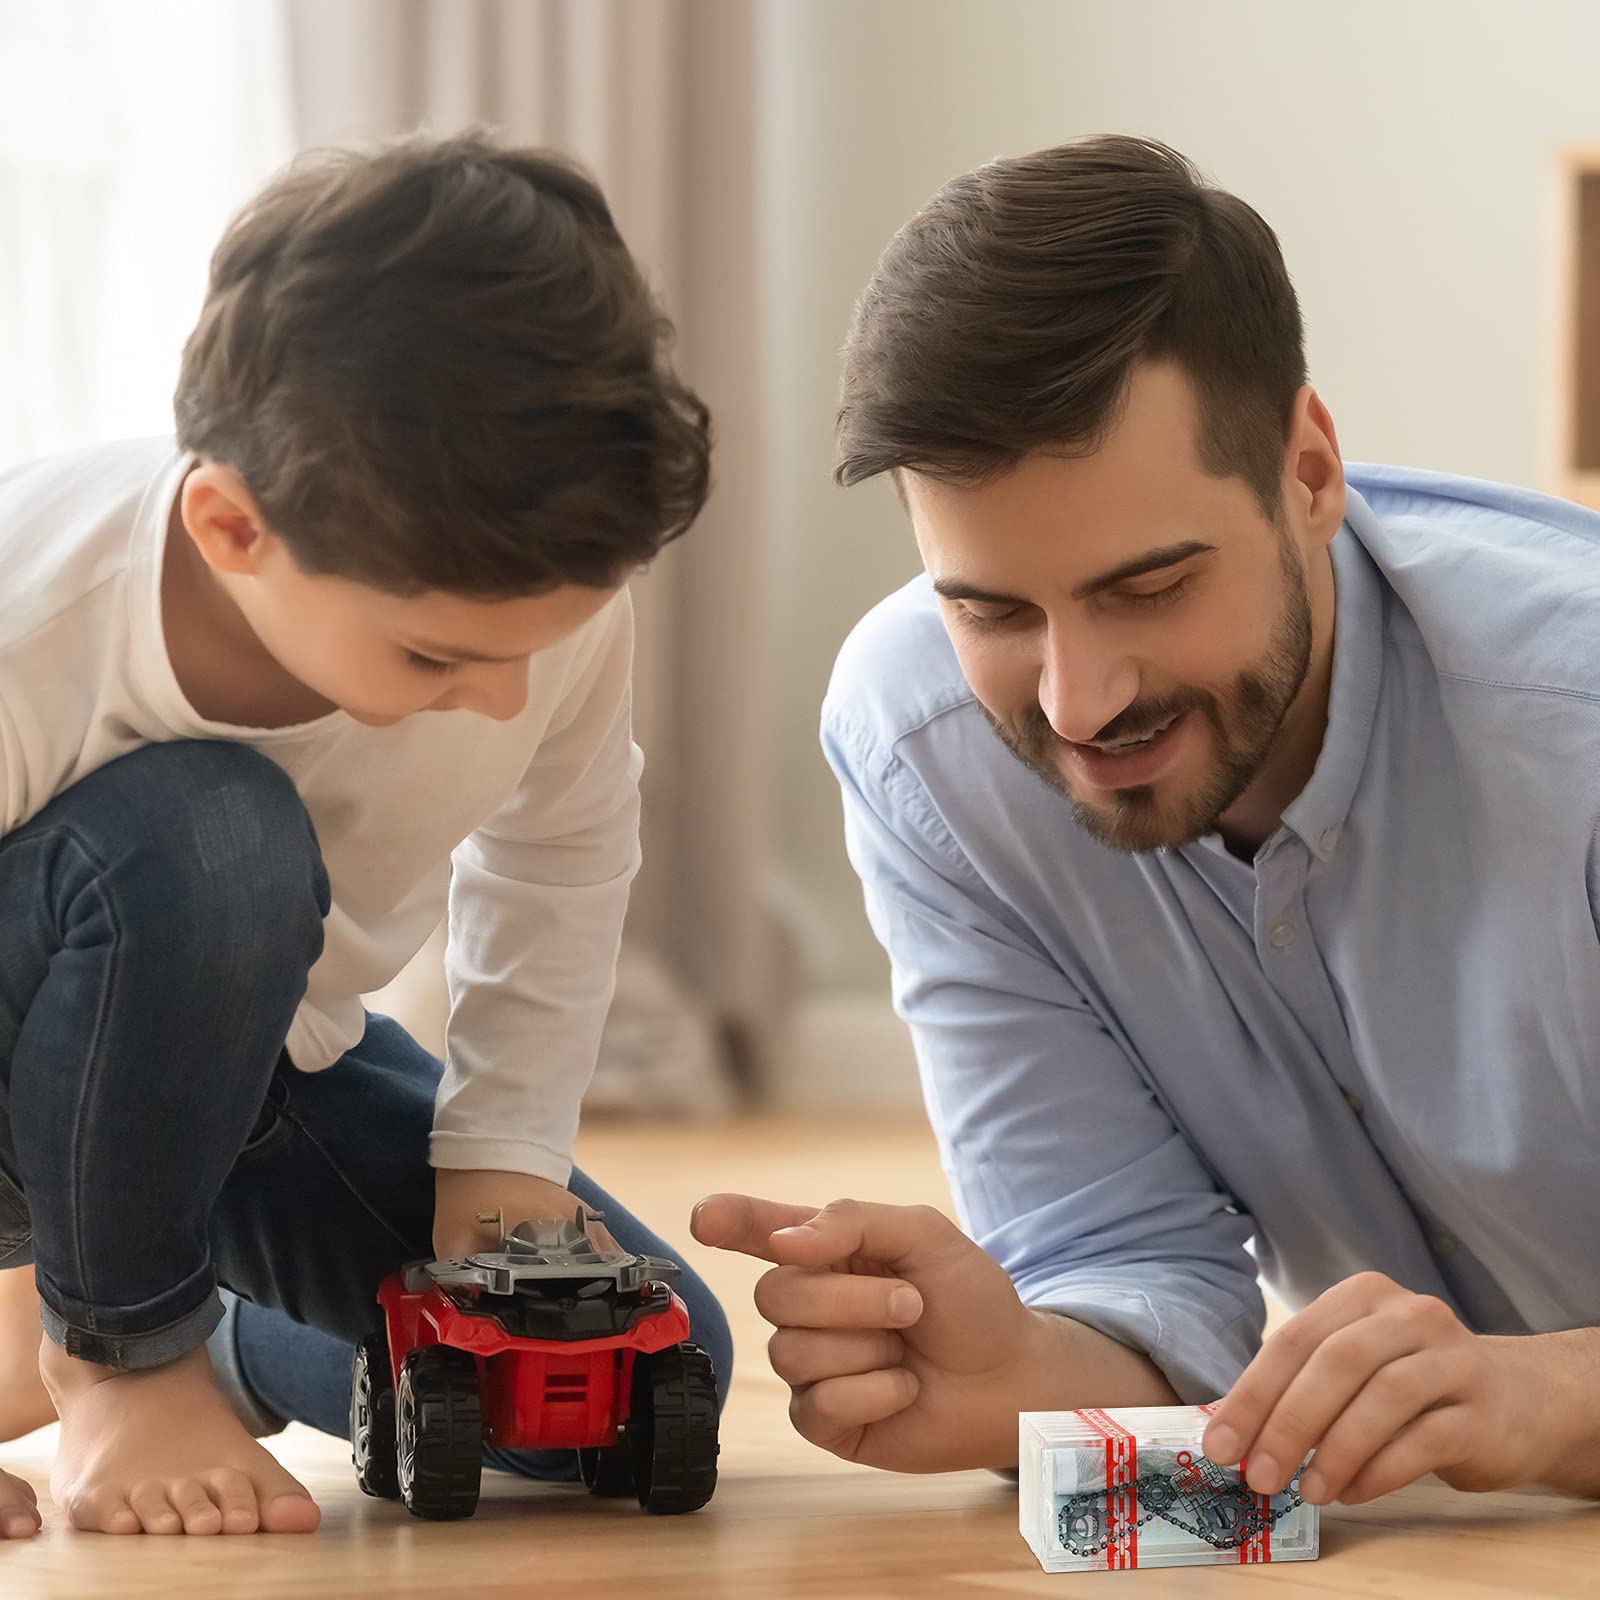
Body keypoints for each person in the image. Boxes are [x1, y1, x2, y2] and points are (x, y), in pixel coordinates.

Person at [692, 135, 1600, 1509]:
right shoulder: (923, 742)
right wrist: (1026, 1366)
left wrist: (1548, 1397)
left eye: (1150, 587)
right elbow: (1131, 1268)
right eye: (991, 609)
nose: (1075, 700)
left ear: (1306, 470)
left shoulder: (1575, 721)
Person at [0, 131, 731, 1540]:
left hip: (258, 1069)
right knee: (215, 839)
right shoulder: (38, 620)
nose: (509, 698)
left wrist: (501, 1161)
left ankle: (209, 1339)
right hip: (19, 1091)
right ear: (230, 526)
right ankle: (116, 1355)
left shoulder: (531, 588)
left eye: (546, 642)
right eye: (441, 657)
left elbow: (557, 854)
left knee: (621, 1364)